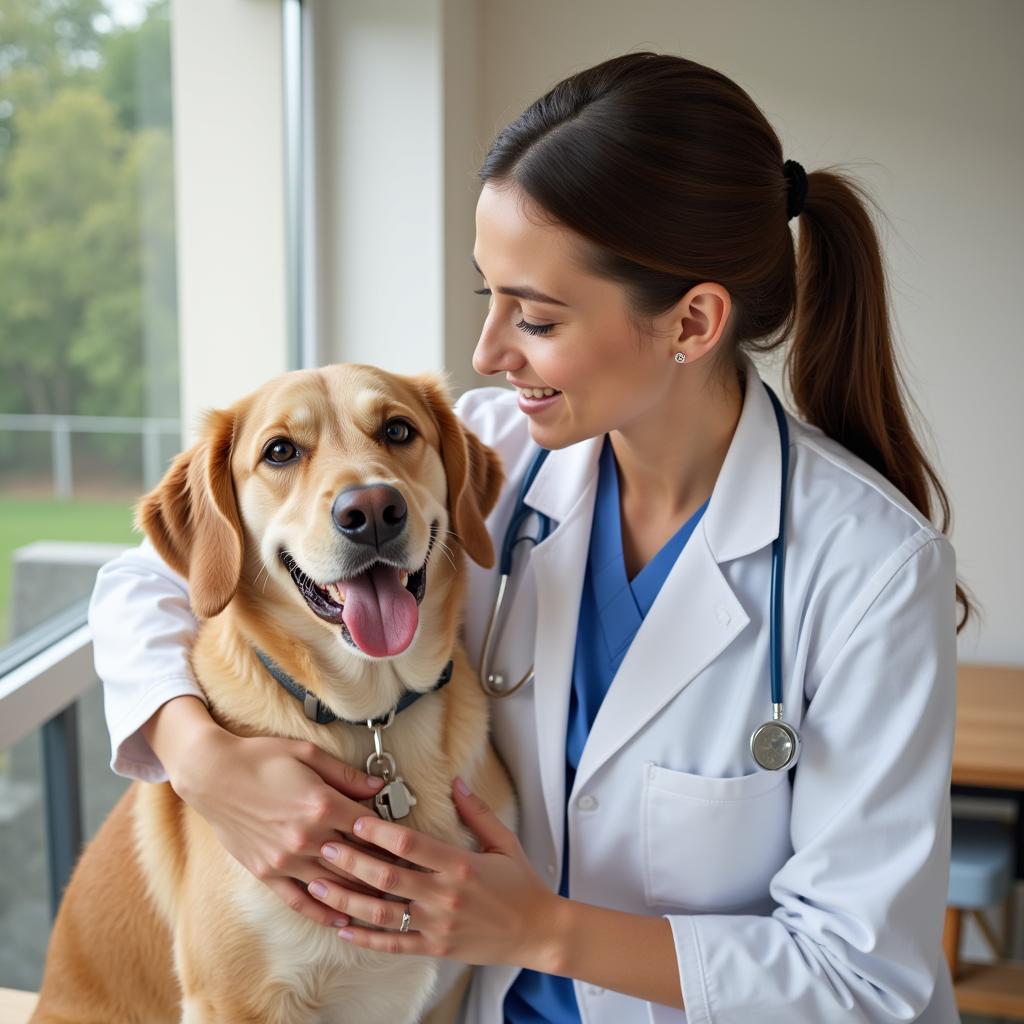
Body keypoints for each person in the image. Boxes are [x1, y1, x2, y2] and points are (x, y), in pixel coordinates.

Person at [89, 51, 970, 1023]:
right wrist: (204, 763)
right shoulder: (485, 449)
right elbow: (151, 579)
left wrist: (539, 931)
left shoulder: (869, 571)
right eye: (489, 297)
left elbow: (862, 977)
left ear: (691, 322)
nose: (488, 352)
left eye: (536, 317)